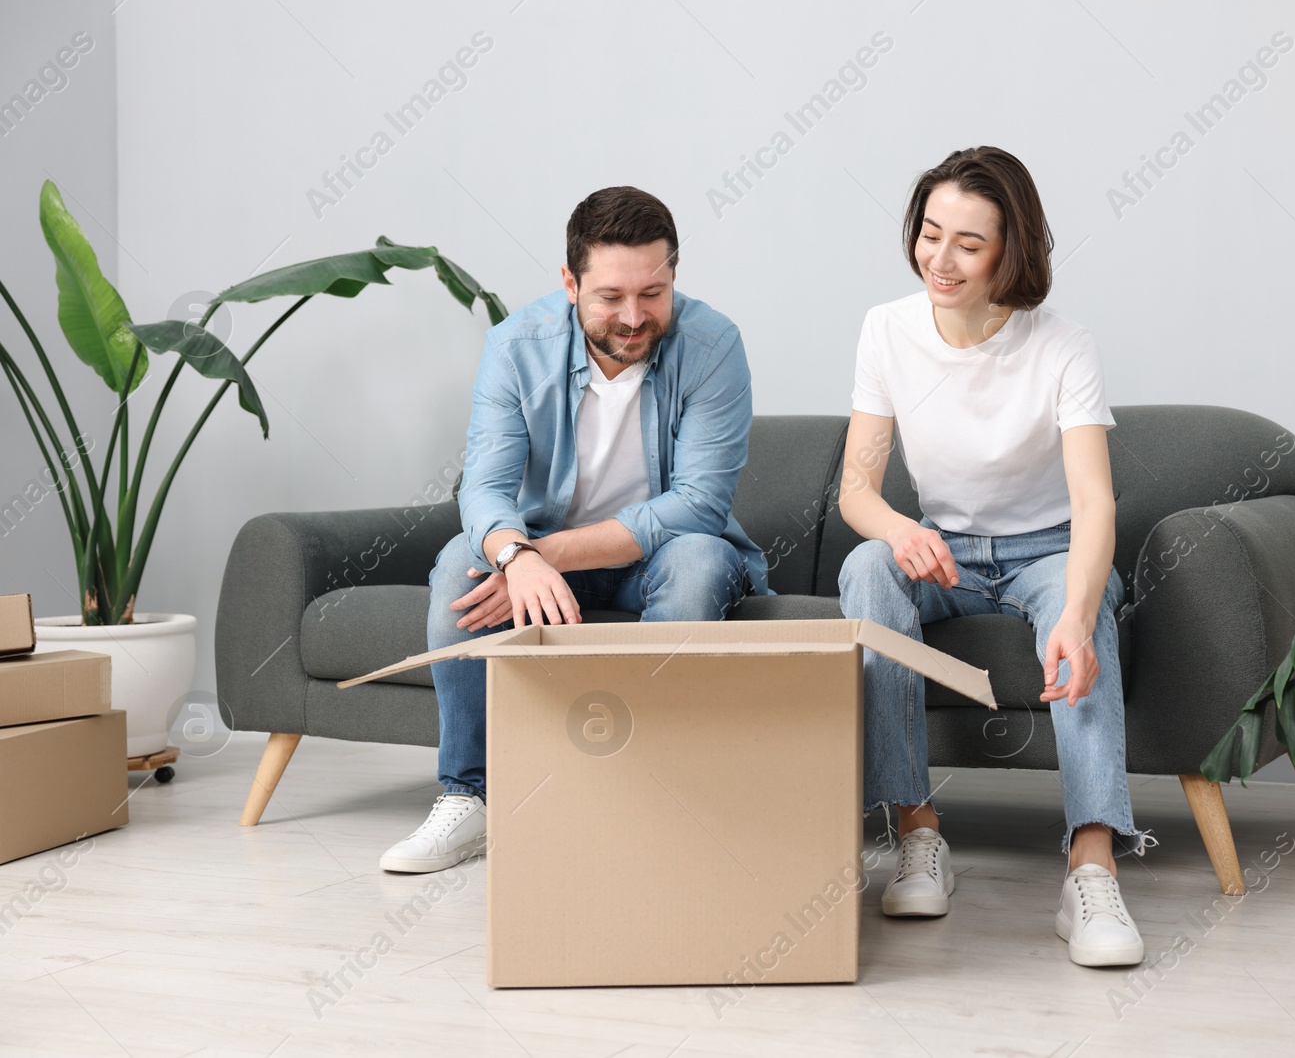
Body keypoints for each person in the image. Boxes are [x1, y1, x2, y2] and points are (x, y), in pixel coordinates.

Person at [381, 186, 768, 873]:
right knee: (455, 571)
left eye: (654, 292)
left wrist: (542, 554)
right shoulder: (516, 347)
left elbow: (700, 504)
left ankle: (655, 787)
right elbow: (485, 489)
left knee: (701, 562)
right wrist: (514, 556)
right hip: (540, 550)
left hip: (664, 554)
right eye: (610, 296)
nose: (633, 316)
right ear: (569, 282)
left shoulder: (714, 347)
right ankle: (469, 796)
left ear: (674, 273)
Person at [836, 146, 1150, 967]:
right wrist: (900, 530)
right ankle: (917, 832)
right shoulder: (886, 328)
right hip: (942, 551)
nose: (940, 259)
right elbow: (856, 492)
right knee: (868, 568)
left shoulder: (1063, 345)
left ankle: (1091, 866)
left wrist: (1077, 612)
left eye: (968, 245)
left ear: (1011, 252)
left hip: (1048, 549)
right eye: (930, 234)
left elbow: (1094, 503)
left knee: (1083, 624)